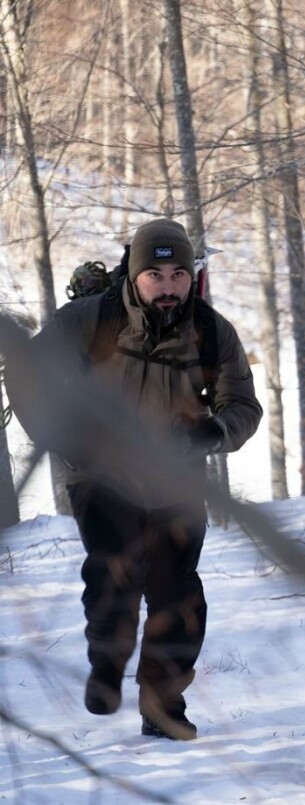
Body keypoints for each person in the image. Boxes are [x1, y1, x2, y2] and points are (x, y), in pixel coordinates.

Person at [11, 219, 263, 740]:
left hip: (177, 481)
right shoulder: (89, 320)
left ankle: (162, 703)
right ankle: (108, 661)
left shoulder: (212, 333)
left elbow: (242, 405)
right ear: (134, 273)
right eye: (155, 275)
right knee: (116, 571)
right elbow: (26, 374)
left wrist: (212, 433)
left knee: (179, 597)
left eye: (177, 274)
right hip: (102, 474)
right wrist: (64, 439)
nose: (168, 286)